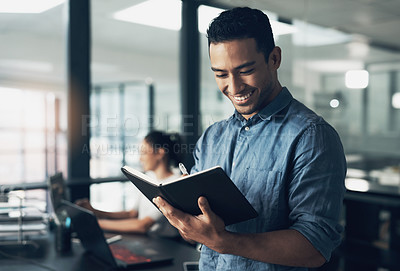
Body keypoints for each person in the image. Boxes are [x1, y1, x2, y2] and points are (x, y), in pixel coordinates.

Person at [153, 7, 347, 270]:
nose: (233, 87)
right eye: (221, 74)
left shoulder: (311, 136)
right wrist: (186, 220)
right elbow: (199, 228)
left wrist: (225, 241)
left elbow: (314, 246)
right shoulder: (212, 137)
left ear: (274, 58)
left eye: (245, 70)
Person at [76, 131, 181, 237]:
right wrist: (95, 212)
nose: (140, 158)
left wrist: (96, 223)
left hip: (166, 244)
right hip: (149, 240)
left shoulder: (173, 183)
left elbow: (142, 225)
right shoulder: (149, 176)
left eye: (144, 152)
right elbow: (132, 213)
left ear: (160, 153)